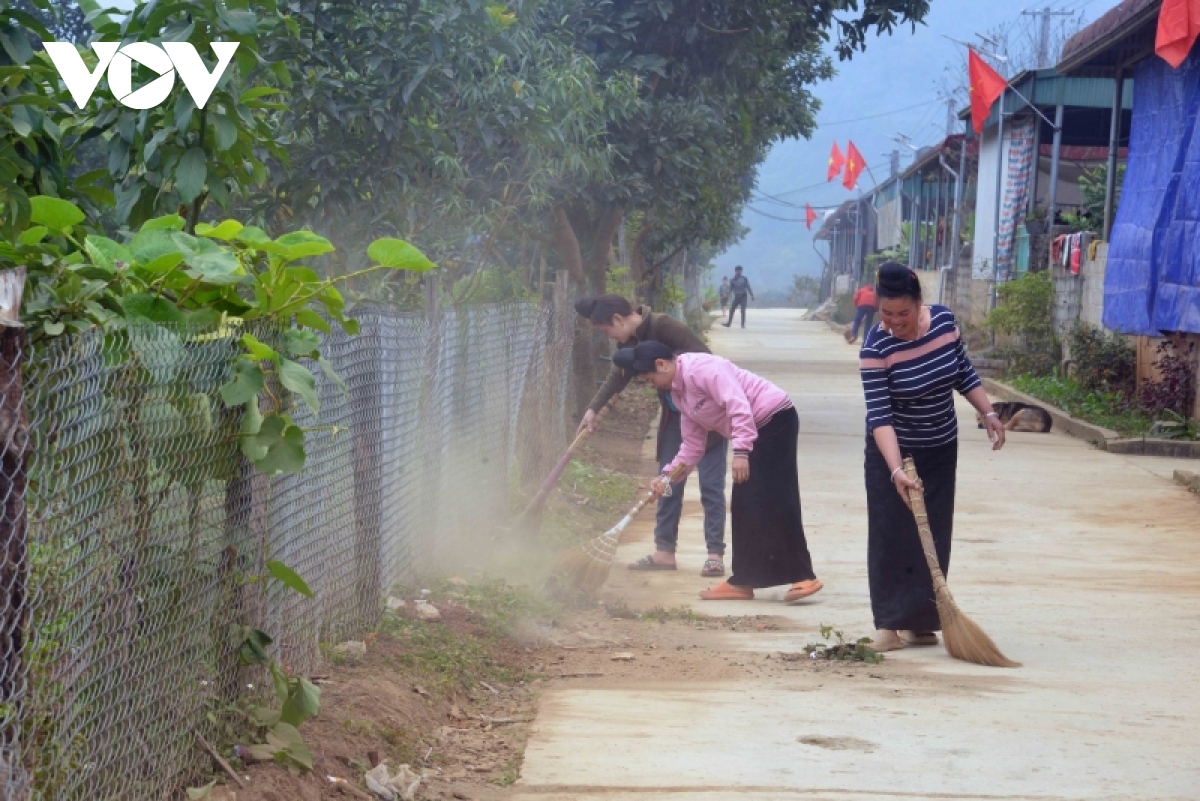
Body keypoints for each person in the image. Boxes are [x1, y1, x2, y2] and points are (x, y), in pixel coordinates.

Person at [859, 262, 1006, 653]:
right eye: (886, 314)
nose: (894, 322)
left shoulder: (944, 322)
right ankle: (888, 624)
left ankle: (920, 622)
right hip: (893, 450)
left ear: (919, 304)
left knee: (933, 534)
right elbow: (880, 415)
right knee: (892, 533)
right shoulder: (875, 346)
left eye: (902, 314)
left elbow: (962, 372)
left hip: (940, 445)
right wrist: (894, 470)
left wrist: (988, 411)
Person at [614, 341, 823, 603]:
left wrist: (741, 451)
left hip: (773, 420)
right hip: (753, 430)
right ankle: (744, 581)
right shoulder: (679, 394)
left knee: (776, 498)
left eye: (650, 378)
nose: (652, 384)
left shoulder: (703, 369)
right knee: (746, 505)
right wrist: (668, 477)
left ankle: (803, 576)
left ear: (661, 364)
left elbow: (739, 406)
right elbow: (692, 445)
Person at [574, 296, 728, 578]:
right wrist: (593, 409)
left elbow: (708, 362)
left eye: (606, 330)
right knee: (666, 483)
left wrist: (712, 411)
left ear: (619, 320)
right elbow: (617, 376)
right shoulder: (627, 344)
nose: (609, 337)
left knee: (711, 486)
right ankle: (664, 552)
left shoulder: (664, 326)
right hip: (674, 420)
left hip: (708, 417)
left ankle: (714, 554)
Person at [846, 279, 877, 344]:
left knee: (857, 321)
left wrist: (857, 305)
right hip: (871, 307)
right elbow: (877, 302)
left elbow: (855, 298)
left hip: (862, 305)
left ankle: (853, 335)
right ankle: (866, 339)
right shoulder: (874, 293)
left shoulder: (861, 290)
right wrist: (875, 309)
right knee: (868, 324)